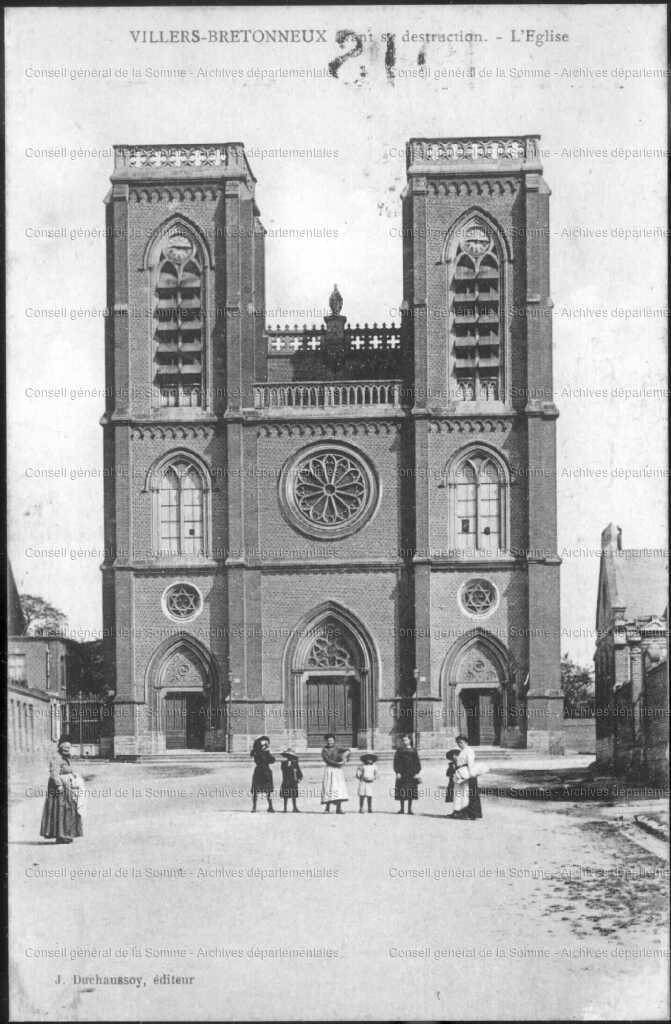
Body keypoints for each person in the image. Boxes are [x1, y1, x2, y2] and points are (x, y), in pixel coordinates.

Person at [40, 738, 85, 844]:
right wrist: (59, 785)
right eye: (65, 747)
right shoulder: (56, 757)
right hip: (58, 789)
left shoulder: (66, 758)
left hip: (67, 788)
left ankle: (67, 834)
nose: (67, 749)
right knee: (59, 811)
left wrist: (73, 774)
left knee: (68, 810)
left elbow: (66, 769)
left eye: (69, 747)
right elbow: (54, 773)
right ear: (60, 747)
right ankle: (60, 835)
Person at [448, 734, 483, 820]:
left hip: (466, 774)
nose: (459, 744)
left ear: (466, 742)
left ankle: (468, 813)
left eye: (461, 742)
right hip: (461, 773)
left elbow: (470, 763)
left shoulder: (469, 750)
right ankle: (458, 811)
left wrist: (471, 774)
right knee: (460, 793)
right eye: (458, 743)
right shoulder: (462, 751)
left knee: (465, 794)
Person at [320, 733, 350, 813]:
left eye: (331, 740)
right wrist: (338, 764)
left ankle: (339, 808)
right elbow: (327, 760)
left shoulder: (337, 748)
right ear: (326, 741)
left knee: (338, 788)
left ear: (334, 741)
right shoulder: (324, 750)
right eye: (328, 740)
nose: (330, 742)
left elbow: (348, 750)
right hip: (330, 770)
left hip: (338, 771)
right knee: (329, 787)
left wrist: (345, 758)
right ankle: (327, 808)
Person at [393, 734, 421, 815]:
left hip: (411, 773)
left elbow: (417, 762)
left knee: (411, 791)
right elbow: (396, 762)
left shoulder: (414, 750)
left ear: (410, 740)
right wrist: (397, 772)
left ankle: (409, 809)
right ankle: (402, 809)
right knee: (402, 791)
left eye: (406, 740)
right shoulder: (399, 750)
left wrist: (416, 772)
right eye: (403, 740)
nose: (405, 742)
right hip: (402, 773)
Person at [250, 736, 275, 812]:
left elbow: (273, 760)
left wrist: (268, 753)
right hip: (260, 771)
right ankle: (254, 807)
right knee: (256, 790)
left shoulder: (265, 752)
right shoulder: (257, 752)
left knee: (268, 791)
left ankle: (270, 806)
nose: (266, 745)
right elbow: (264, 759)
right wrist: (266, 753)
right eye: (264, 744)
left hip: (265, 771)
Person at [279, 748, 303, 813]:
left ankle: (294, 807)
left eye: (291, 756)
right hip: (286, 780)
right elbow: (283, 770)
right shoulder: (284, 763)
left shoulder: (295, 763)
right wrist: (288, 766)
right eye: (288, 756)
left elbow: (299, 771)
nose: (290, 757)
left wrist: (299, 778)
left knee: (294, 795)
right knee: (285, 795)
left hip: (293, 781)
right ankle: (285, 808)